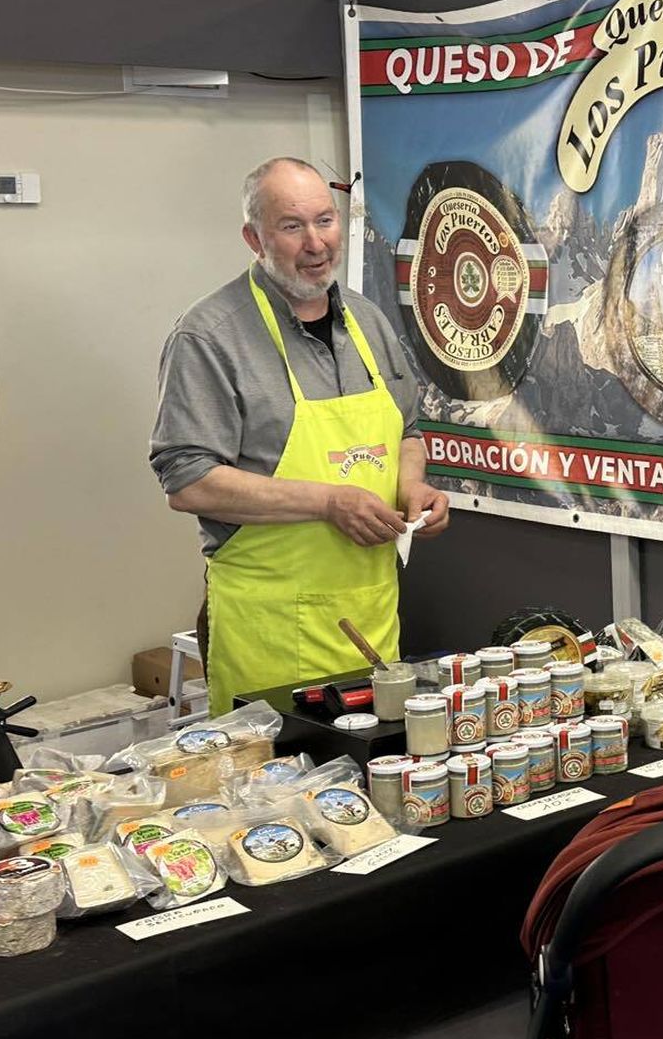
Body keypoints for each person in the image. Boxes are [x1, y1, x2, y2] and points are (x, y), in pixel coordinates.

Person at [150, 157, 450, 712]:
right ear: (253, 238)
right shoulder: (209, 336)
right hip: (267, 629)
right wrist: (329, 502)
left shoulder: (368, 321)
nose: (316, 243)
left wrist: (412, 488)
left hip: (370, 616)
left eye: (325, 221)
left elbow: (407, 431)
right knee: (280, 766)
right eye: (292, 226)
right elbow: (188, 482)